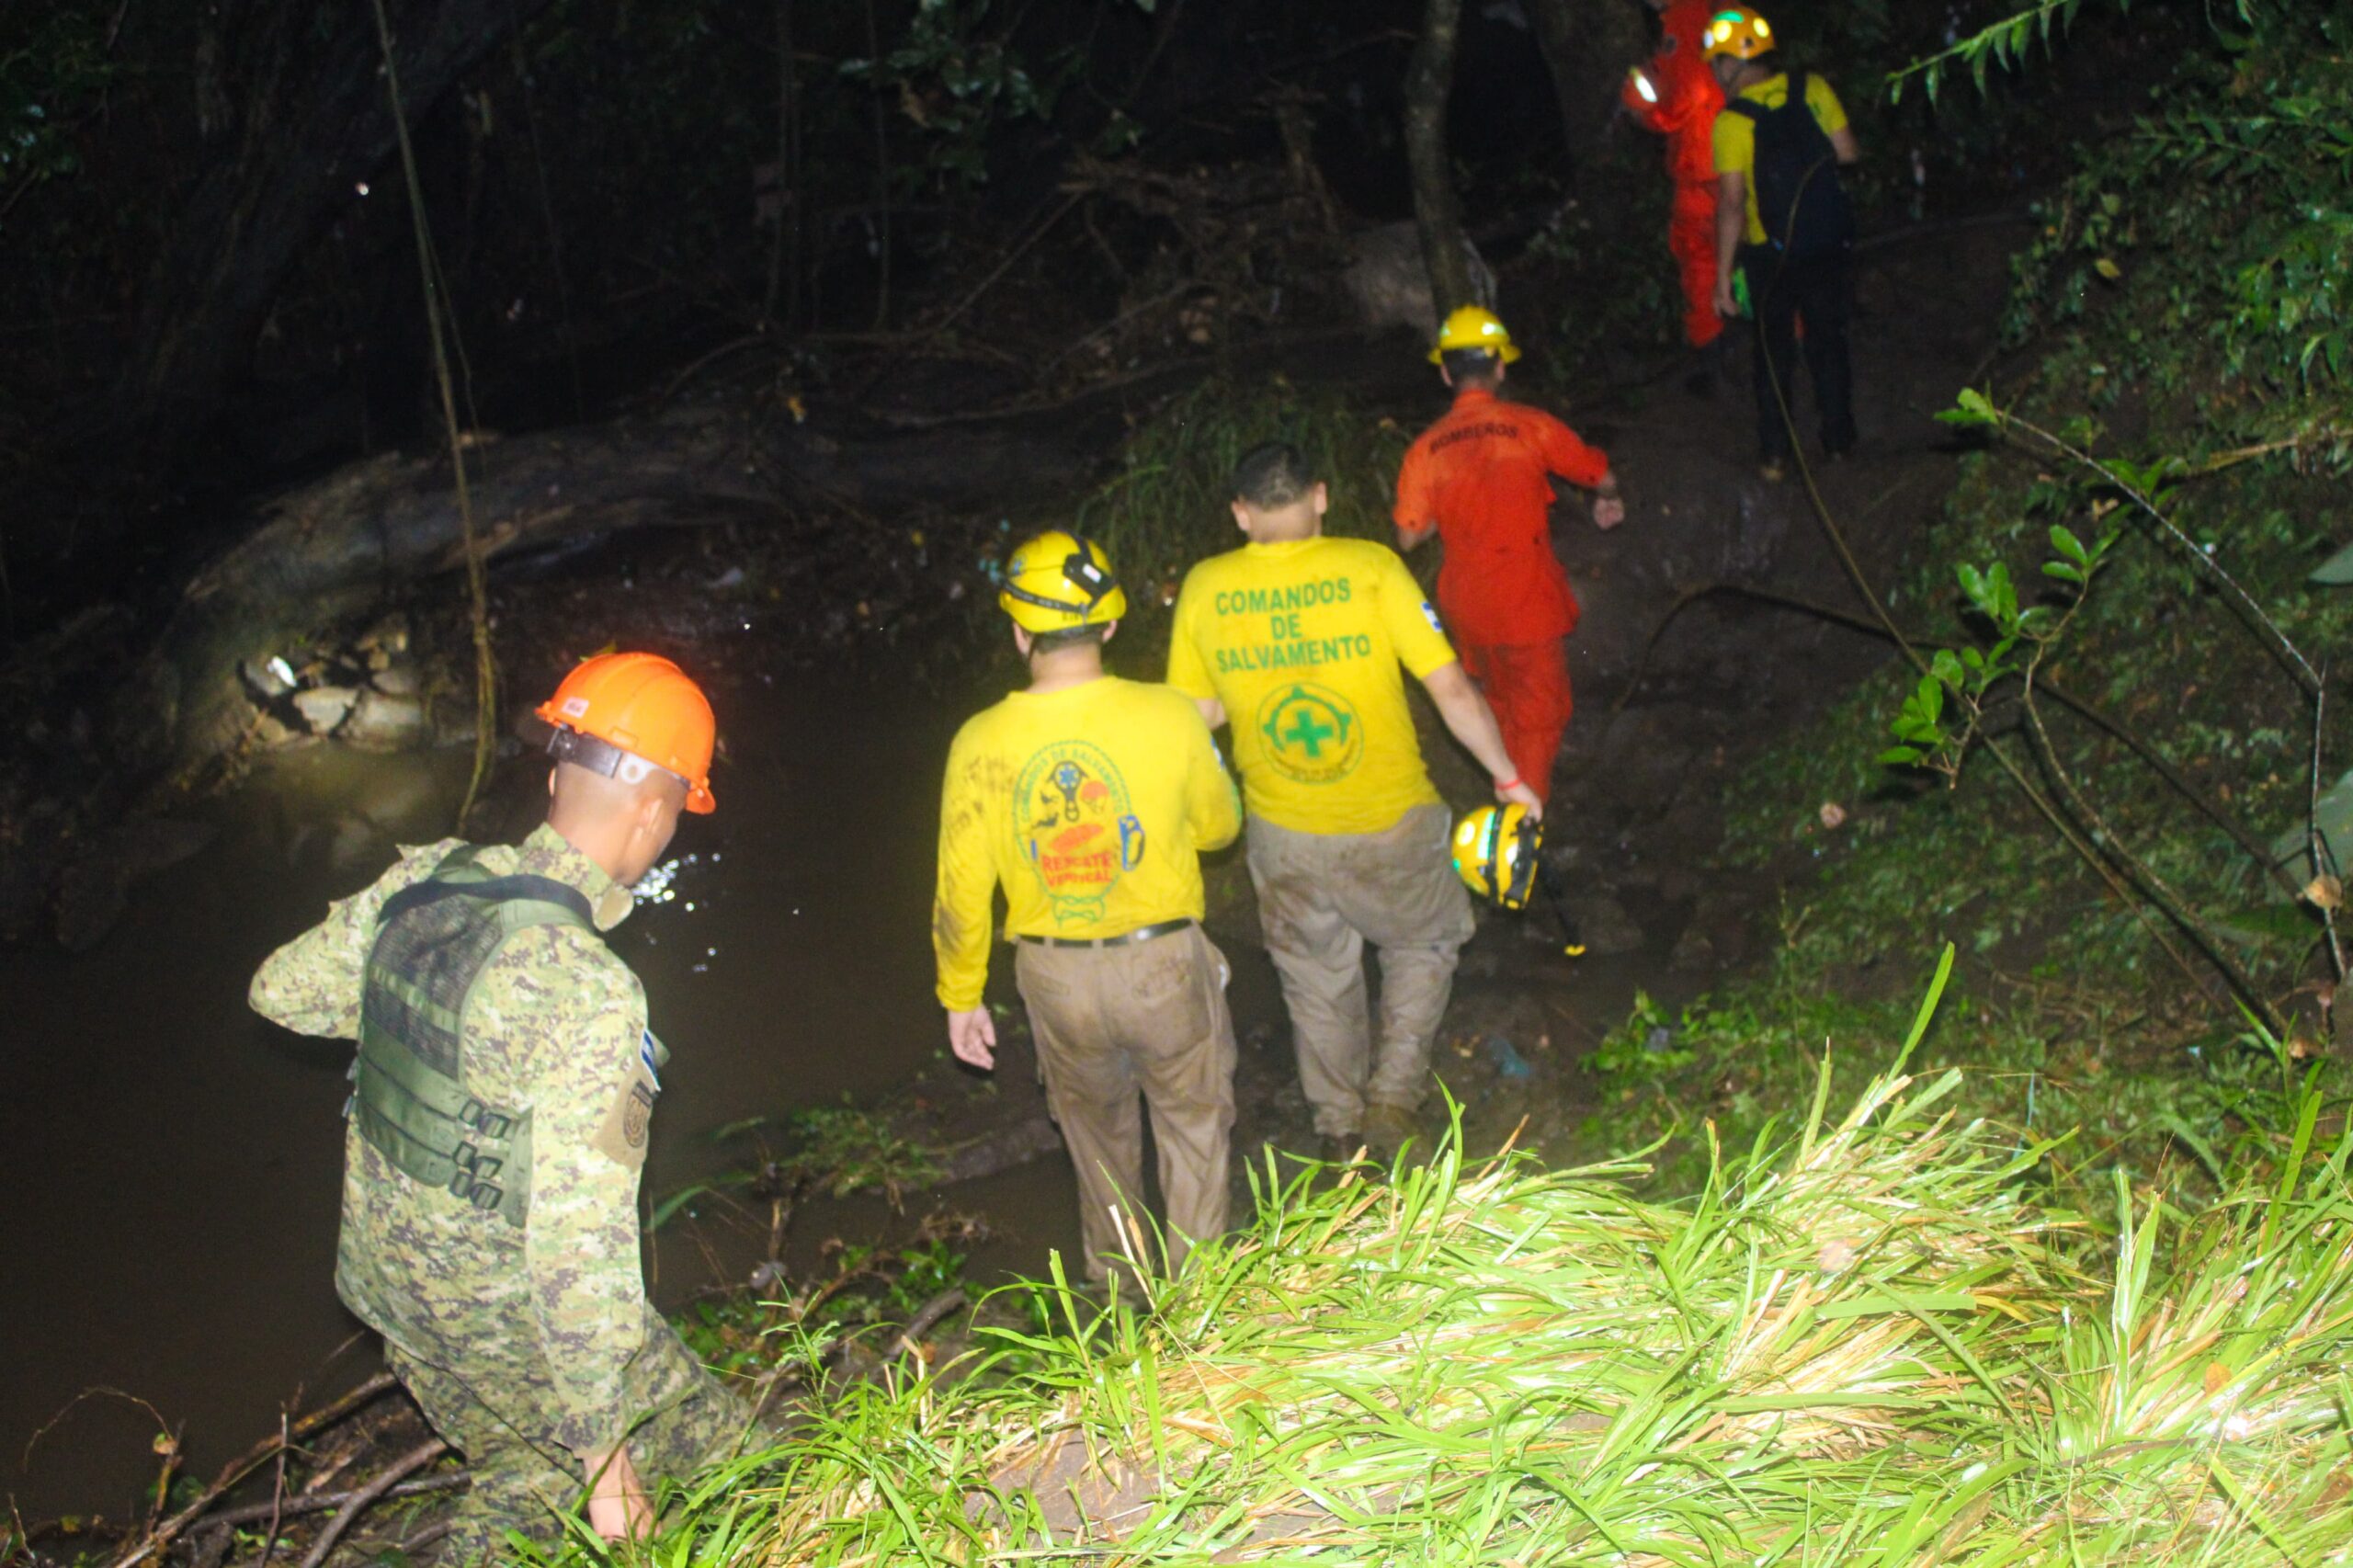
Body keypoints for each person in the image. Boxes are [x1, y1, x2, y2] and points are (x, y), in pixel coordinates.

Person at [250, 652, 738, 1563]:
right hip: (499, 1312)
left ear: (556, 775)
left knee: (519, 1462)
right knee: (716, 1453)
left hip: (385, 1290)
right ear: (656, 812)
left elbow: (279, 990)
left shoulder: (427, 880)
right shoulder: (590, 993)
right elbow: (576, 1241)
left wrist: (418, 1000)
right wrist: (605, 1450)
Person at [1167, 442, 1541, 1160]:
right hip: (1392, 820)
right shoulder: (1371, 568)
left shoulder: (1207, 586)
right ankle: (1392, 1100)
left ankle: (1338, 1126)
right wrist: (1506, 776)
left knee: (1314, 976)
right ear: (1319, 498)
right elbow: (1450, 686)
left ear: (1241, 514)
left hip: (1280, 830)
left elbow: (1200, 714)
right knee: (1424, 942)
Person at [933, 530, 1243, 1287]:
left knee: (1097, 1146)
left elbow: (960, 888)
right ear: (1109, 625)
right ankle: (1203, 1312)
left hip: (1055, 976)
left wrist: (961, 995)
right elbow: (1221, 828)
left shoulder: (979, 740)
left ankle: (1119, 1304)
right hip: (1163, 960)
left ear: (1018, 633)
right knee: (1195, 1129)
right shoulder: (1172, 715)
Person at [1393, 307, 1626, 807]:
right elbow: (1595, 473)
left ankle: (1503, 801)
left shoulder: (1426, 449)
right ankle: (1524, 834)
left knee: (1498, 701)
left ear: (1444, 373)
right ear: (1500, 367)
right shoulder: (1529, 426)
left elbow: (1408, 537)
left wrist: (1449, 504)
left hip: (1468, 605)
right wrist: (1610, 492)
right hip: (1525, 599)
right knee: (1541, 714)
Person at [1706, 5, 1861, 480]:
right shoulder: (1813, 88)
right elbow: (1849, 154)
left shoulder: (1731, 123)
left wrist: (1722, 282)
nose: (1714, 73)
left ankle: (1775, 456)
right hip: (1824, 244)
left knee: (1772, 356)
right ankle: (1839, 443)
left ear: (1731, 63)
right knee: (1827, 343)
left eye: (1716, 63)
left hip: (1768, 254)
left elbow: (1731, 204)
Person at [1621, 0, 1730, 378]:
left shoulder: (1686, 19)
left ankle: (1711, 356)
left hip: (1705, 163)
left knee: (1698, 256)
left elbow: (1686, 92)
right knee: (1762, 247)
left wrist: (1645, 113)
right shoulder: (1718, 8)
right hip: (1741, 152)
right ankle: (1794, 339)